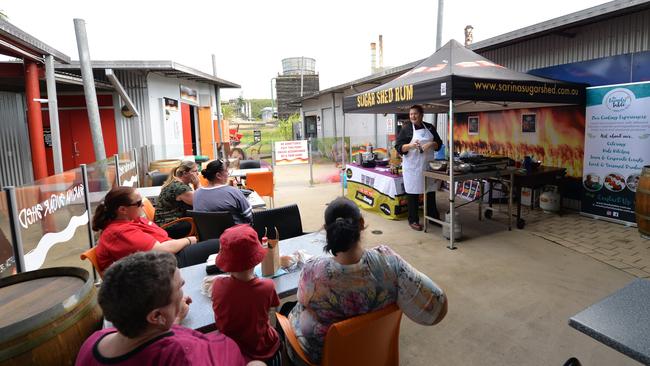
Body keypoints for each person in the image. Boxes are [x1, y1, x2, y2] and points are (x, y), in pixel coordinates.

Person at [287, 197, 447, 364]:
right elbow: (437, 309)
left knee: (287, 313)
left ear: (326, 230)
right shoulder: (389, 263)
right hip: (375, 355)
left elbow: (302, 299)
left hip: (328, 358)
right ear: (361, 224)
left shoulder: (313, 272)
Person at [75, 251, 248, 366]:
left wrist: (173, 319)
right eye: (179, 286)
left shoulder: (93, 343)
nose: (183, 290)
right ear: (156, 315)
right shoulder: (183, 355)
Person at [92, 187, 219, 273]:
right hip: (166, 265)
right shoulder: (119, 233)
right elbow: (162, 250)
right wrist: (189, 240)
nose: (142, 204)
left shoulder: (130, 220)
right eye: (138, 203)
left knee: (222, 244)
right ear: (122, 210)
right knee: (221, 245)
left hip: (170, 256)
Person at [211, 225, 282, 365]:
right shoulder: (267, 287)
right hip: (264, 350)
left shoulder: (217, 285)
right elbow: (274, 309)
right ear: (257, 258)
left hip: (230, 351)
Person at [394, 104, 443, 231]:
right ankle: (413, 220)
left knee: (430, 191)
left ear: (421, 115)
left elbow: (439, 143)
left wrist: (431, 143)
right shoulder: (406, 129)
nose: (413, 116)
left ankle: (433, 217)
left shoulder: (430, 127)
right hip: (413, 166)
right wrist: (410, 146)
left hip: (427, 165)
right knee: (413, 194)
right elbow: (398, 147)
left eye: (415, 114)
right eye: (411, 114)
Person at [193, 159, 253, 224]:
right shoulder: (233, 192)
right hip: (236, 233)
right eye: (227, 171)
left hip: (208, 233)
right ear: (218, 175)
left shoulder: (196, 194)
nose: (228, 174)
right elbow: (250, 216)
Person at [154, 160, 199, 239]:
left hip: (164, 223)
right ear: (185, 173)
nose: (198, 174)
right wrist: (197, 184)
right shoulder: (180, 188)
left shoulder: (176, 182)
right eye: (195, 171)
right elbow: (201, 202)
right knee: (201, 223)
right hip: (169, 226)